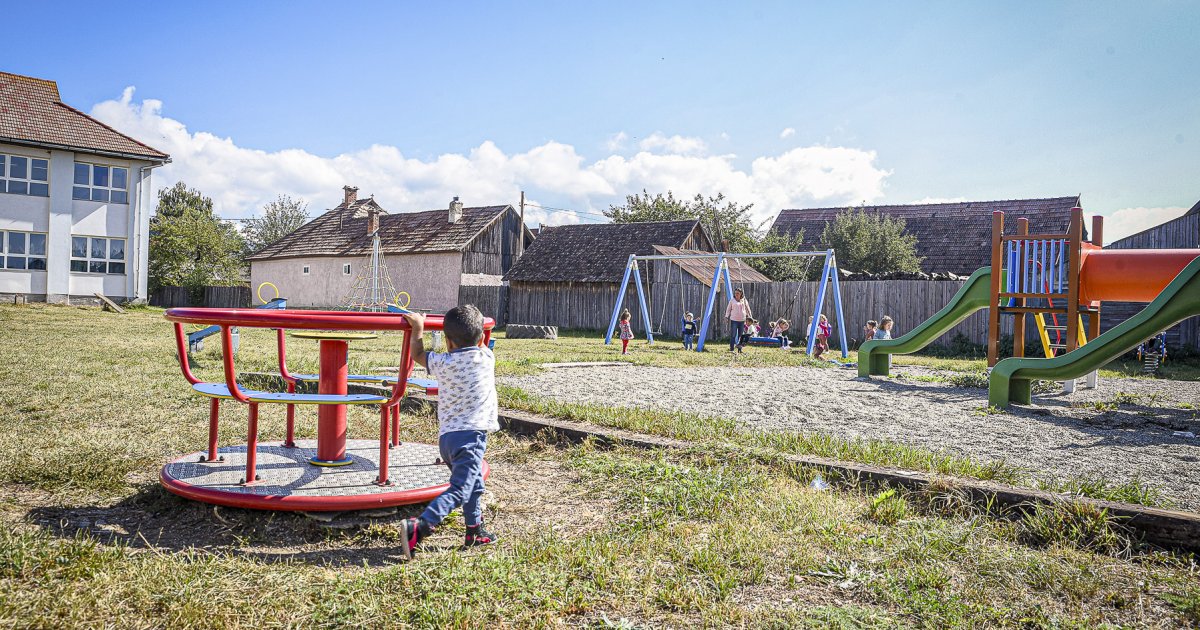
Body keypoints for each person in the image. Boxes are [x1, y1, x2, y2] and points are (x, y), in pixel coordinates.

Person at [398, 305, 499, 559]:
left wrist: (418, 328)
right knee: (461, 488)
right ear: (481, 338)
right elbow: (481, 340)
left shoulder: (443, 362)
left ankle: (474, 530)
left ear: (448, 342)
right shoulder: (487, 359)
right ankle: (420, 526)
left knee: (473, 484)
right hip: (472, 437)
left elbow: (419, 354)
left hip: (448, 439)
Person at [725, 288, 752, 353]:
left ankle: (740, 350)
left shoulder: (744, 300)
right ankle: (731, 350)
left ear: (741, 294)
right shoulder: (732, 300)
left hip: (742, 320)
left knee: (741, 336)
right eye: (735, 293)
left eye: (738, 293)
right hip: (734, 320)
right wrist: (726, 317)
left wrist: (750, 316)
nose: (736, 294)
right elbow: (728, 309)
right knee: (733, 335)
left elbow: (748, 309)